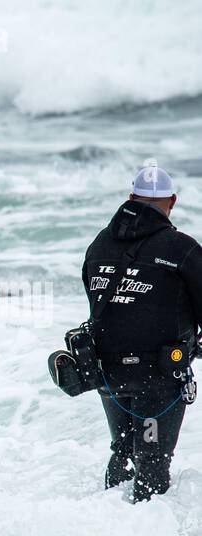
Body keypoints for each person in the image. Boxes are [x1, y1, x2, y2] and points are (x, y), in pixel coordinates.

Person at [83, 164, 202, 500]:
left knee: (123, 454)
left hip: (108, 373)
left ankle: (102, 527)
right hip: (159, 376)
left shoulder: (99, 245)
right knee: (151, 464)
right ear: (172, 201)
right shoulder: (181, 248)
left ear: (131, 198)